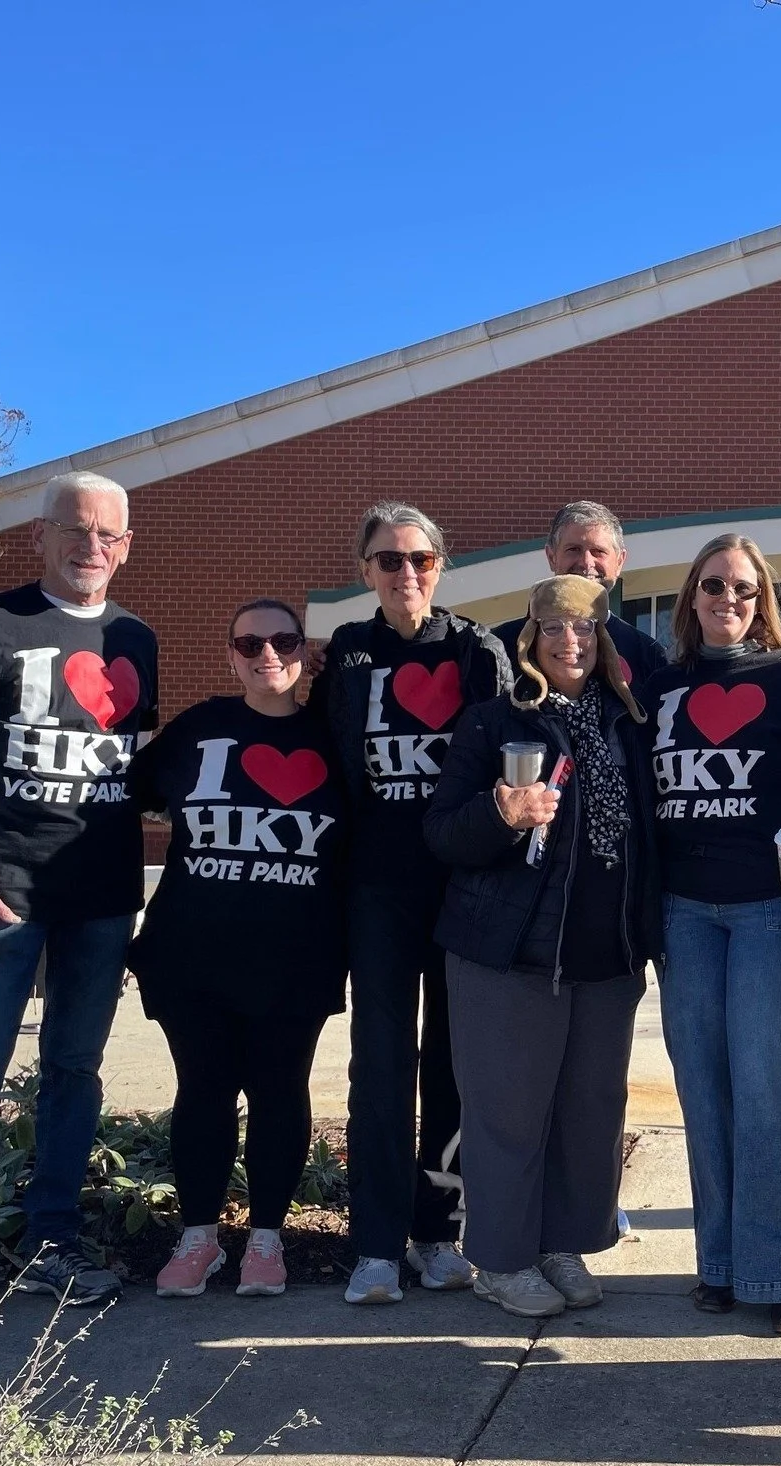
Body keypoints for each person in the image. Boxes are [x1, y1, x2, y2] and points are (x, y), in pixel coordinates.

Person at [0, 472, 158, 1336]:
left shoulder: (137, 638)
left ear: (126, 547)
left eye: (108, 536)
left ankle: (51, 1245)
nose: (90, 546)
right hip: (1, 894)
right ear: (41, 535)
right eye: (74, 530)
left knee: (72, 1074)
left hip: (98, 900)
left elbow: (128, 765)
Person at [426, 576, 659, 1318]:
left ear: (605, 641)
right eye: (555, 628)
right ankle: (499, 1259)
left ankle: (561, 1243)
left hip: (605, 954)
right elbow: (442, 833)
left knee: (590, 1109)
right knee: (507, 1112)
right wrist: (502, 813)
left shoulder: (629, 723)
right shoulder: (494, 722)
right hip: (510, 950)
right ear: (530, 637)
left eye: (586, 630)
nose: (571, 642)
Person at [638, 534, 781, 1336]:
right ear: (691, 598)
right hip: (685, 914)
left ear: (762, 598)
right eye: (711, 585)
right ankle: (722, 1267)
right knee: (705, 1087)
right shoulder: (661, 687)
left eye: (743, 586)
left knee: (771, 1091)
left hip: (777, 908)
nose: (726, 597)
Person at [313, 502, 510, 1304]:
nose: (406, 575)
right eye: (389, 561)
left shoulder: (475, 652)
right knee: (381, 1066)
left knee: (455, 1068)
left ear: (441, 566)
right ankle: (374, 1246)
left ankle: (438, 1233)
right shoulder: (350, 654)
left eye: (420, 560)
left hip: (464, 890)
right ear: (365, 571)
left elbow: (509, 760)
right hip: (378, 890)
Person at [129, 599, 347, 1299]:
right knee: (204, 1091)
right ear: (231, 655)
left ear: (303, 651)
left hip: (295, 956)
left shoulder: (333, 738)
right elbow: (122, 795)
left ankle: (266, 1241)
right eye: (249, 643)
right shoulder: (200, 729)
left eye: (282, 640)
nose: (266, 654)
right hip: (193, 953)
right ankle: (199, 1239)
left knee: (281, 1092)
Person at [493, 502, 667, 687]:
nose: (586, 562)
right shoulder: (501, 646)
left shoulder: (648, 655)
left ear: (619, 561)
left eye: (598, 551)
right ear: (552, 557)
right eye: (573, 549)